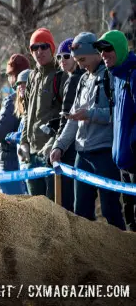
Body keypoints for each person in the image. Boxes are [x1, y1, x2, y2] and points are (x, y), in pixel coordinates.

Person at [50, 33, 125, 230]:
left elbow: (116, 114)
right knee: (80, 212)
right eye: (77, 61)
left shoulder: (111, 76)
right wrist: (60, 145)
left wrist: (89, 114)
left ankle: (122, 255)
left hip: (105, 153)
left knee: (110, 210)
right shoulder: (82, 79)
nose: (81, 65)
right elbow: (73, 121)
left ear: (96, 53)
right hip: (81, 155)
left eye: (82, 59)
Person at [94, 30, 136, 231]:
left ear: (119, 49)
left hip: (134, 161)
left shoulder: (133, 74)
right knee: (130, 222)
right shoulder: (115, 77)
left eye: (107, 48)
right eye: (101, 50)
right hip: (123, 163)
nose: (103, 54)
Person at [19, 28, 66, 200]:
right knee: (34, 210)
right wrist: (24, 142)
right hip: (31, 154)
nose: (39, 51)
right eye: (34, 48)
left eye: (44, 46)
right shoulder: (31, 76)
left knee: (53, 211)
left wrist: (53, 145)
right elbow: (27, 114)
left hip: (50, 154)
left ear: (52, 48)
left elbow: (65, 118)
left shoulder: (61, 76)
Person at [0, 54, 30, 195]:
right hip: (20, 163)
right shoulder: (31, 97)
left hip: (10, 164)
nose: (9, 79)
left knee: (14, 211)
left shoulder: (12, 99)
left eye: (10, 75)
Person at [51, 37, 85, 212]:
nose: (62, 61)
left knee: (68, 206)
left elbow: (68, 118)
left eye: (66, 56)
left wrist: (58, 144)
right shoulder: (71, 78)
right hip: (73, 143)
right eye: (59, 57)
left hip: (71, 148)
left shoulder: (74, 80)